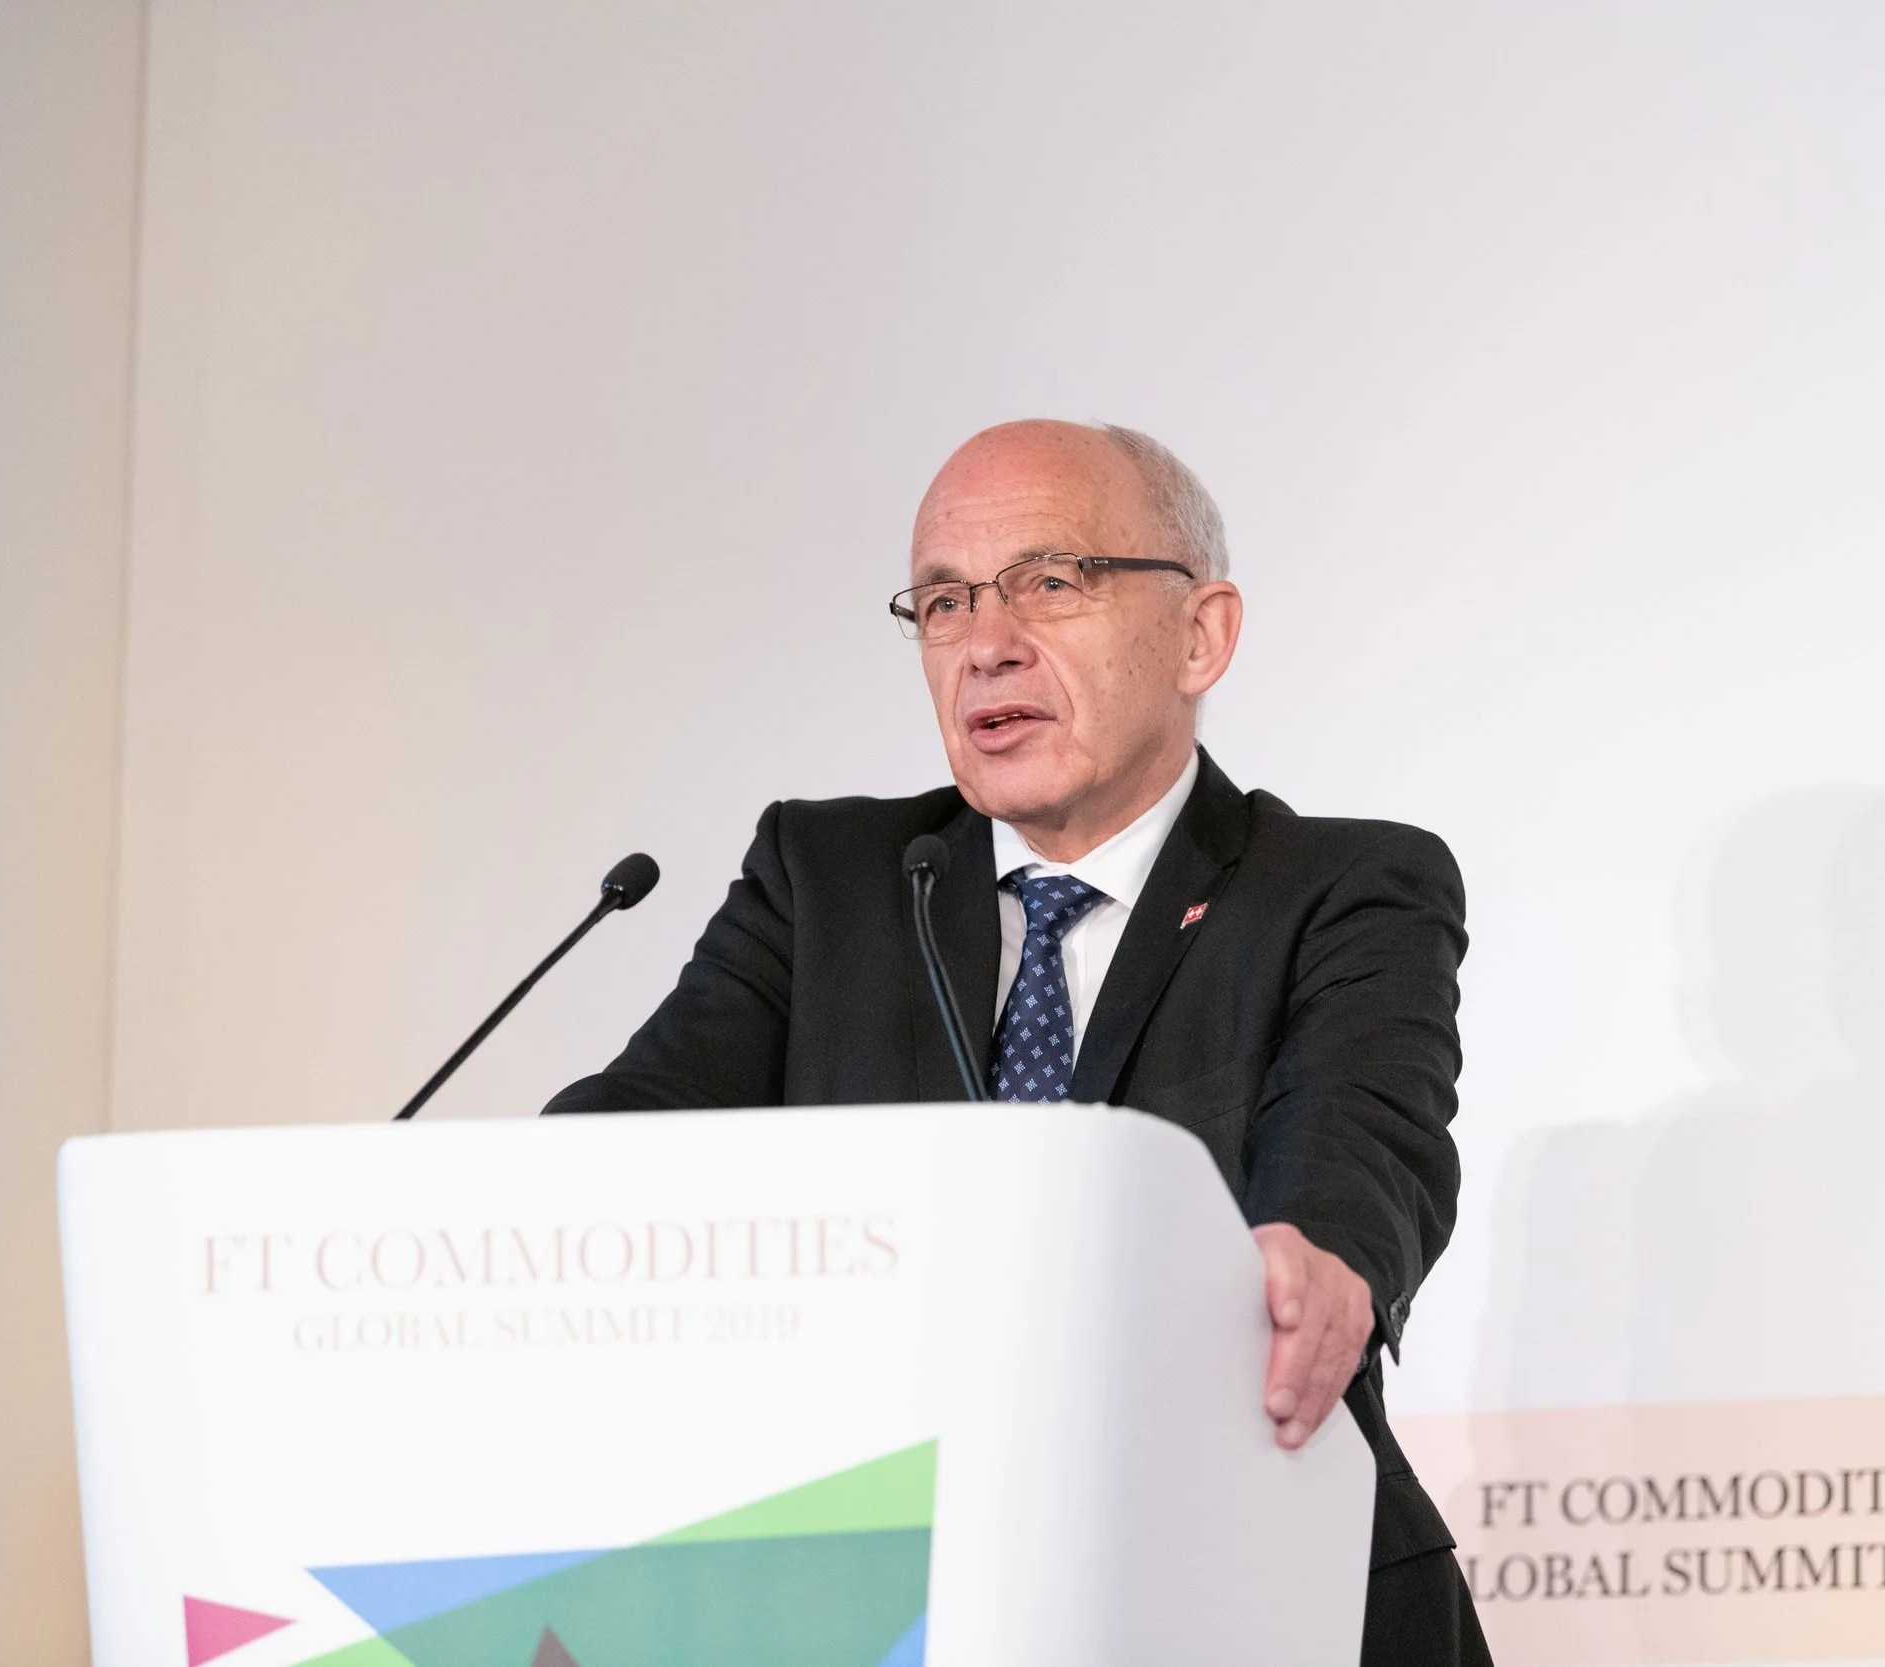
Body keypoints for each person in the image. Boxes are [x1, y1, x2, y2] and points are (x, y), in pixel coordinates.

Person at [546, 419, 1488, 1664]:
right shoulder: (827, 880)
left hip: (1248, 1578)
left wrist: (1320, 1253)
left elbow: (1363, 1135)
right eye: (944, 601)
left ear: (1200, 634)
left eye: (1050, 580)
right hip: (871, 1588)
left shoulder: (1342, 886)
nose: (985, 642)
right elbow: (635, 1131)